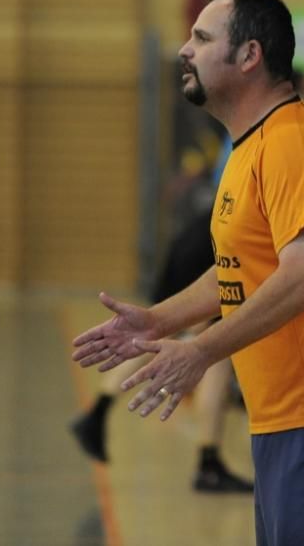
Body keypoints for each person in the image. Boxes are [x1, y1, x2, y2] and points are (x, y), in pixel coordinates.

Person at [72, 0, 304, 545]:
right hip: (292, 415)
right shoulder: (251, 146)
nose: (185, 50)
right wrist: (157, 321)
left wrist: (203, 351)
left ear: (249, 55)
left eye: (202, 38)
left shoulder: (291, 145)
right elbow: (242, 268)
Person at [71, 208, 253, 492]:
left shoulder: (235, 189)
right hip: (205, 261)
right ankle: (209, 462)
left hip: (190, 251)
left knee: (155, 335)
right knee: (216, 352)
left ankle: (98, 412)